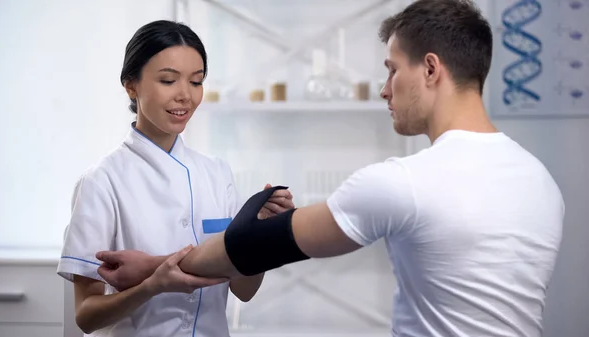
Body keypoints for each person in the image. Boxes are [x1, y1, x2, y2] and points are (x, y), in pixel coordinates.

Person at [96, 1, 565, 336]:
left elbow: (252, 246)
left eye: (390, 70)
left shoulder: (403, 183)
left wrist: (153, 266)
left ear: (430, 69)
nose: (384, 89)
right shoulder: (540, 180)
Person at [56, 20, 295, 337]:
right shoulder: (102, 181)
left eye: (196, 82)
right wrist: (152, 286)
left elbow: (244, 290)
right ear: (132, 85)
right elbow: (87, 316)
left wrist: (259, 233)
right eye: (168, 80)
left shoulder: (216, 173)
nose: (185, 95)